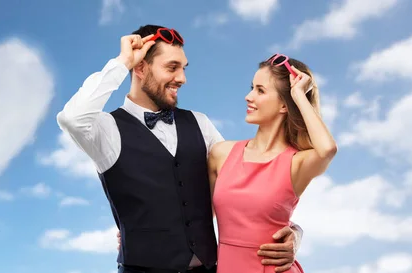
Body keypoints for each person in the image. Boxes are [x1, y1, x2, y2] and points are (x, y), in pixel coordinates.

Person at [56, 24, 302, 273]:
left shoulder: (200, 123)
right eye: (172, 67)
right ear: (140, 68)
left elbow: (250, 186)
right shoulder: (107, 130)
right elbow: (71, 118)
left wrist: (293, 232)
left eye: (183, 68)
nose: (182, 78)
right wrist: (123, 61)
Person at [208, 54, 337, 273]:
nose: (248, 96)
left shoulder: (296, 163)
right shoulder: (221, 153)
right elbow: (197, 218)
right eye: (252, 87)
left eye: (260, 90)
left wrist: (298, 95)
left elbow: (327, 149)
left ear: (284, 106)